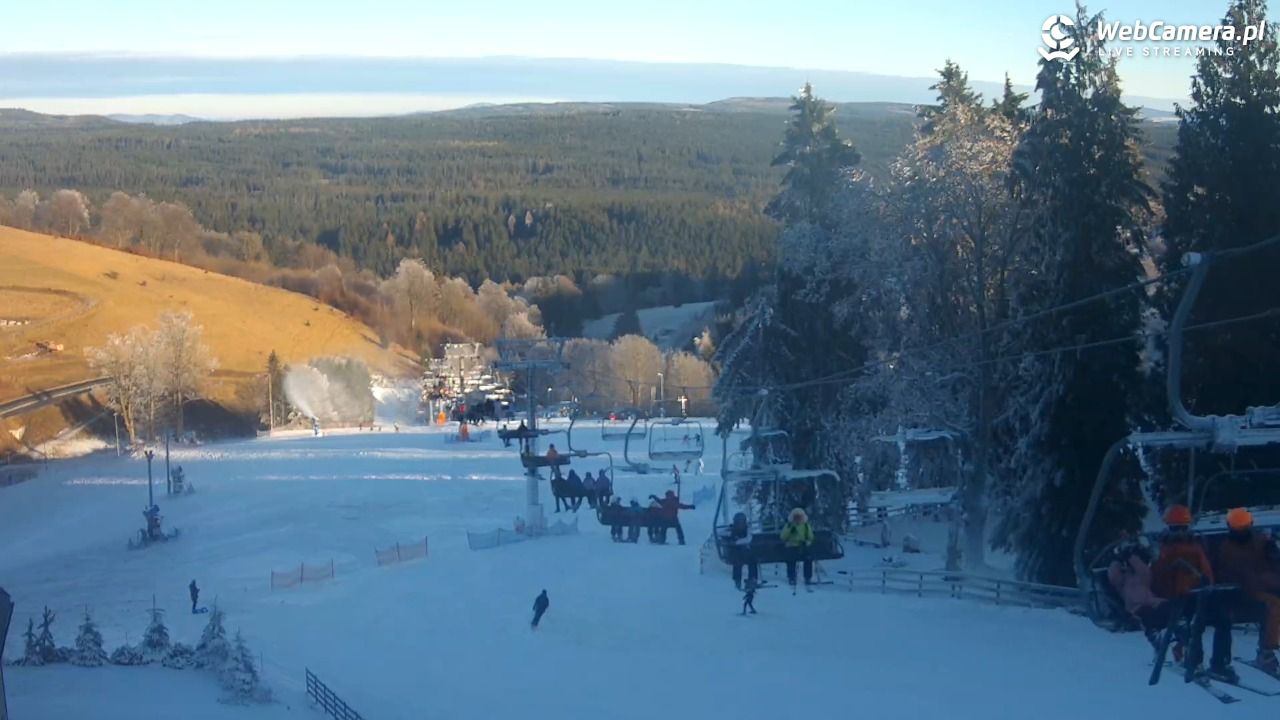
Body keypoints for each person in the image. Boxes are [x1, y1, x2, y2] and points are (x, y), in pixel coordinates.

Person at [1151, 505, 1236, 680]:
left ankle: (1220, 663)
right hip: (1178, 596)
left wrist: (1208, 583)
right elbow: (1159, 574)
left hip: (1200, 592)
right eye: (1176, 528)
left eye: (1183, 527)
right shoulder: (1163, 547)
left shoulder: (1195, 544)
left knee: (1223, 620)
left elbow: (1205, 568)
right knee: (1194, 626)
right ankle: (1194, 661)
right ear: (1169, 527)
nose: (1180, 532)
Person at [1215, 507, 1280, 673]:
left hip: (1262, 586)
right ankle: (1266, 651)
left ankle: (1267, 649)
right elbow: (1236, 574)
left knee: (1273, 605)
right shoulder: (1227, 548)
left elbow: (1273, 561)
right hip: (1243, 592)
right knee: (1273, 606)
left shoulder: (1261, 541)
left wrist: (1273, 556)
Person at [720, 512, 758, 590]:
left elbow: (748, 539)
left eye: (742, 522)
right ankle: (737, 581)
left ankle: (752, 579)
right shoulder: (732, 529)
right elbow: (721, 532)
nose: (740, 524)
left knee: (753, 560)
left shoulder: (747, 529)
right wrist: (729, 534)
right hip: (735, 552)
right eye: (738, 522)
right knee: (737, 561)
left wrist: (736, 542)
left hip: (745, 551)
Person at [780, 507, 815, 588]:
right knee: (791, 559)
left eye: (799, 517)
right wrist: (789, 530)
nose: (798, 519)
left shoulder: (806, 525)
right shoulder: (789, 525)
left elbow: (811, 536)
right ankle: (791, 577)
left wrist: (807, 541)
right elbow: (782, 537)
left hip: (802, 546)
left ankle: (807, 577)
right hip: (792, 546)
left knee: (808, 558)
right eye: (796, 517)